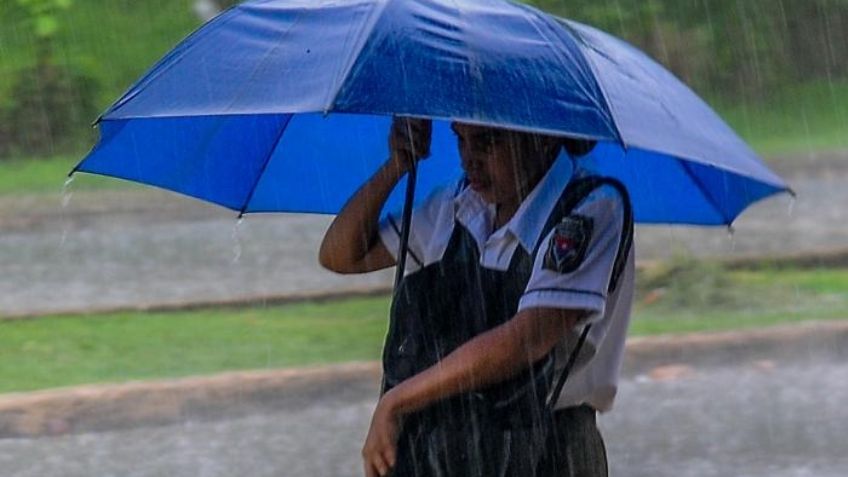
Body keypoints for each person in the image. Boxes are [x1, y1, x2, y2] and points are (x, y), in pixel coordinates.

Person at [319, 117, 634, 477]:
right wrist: (397, 165)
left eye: (488, 141)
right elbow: (343, 255)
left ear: (543, 136)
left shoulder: (592, 208)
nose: (470, 159)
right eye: (461, 140)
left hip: (543, 449)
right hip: (442, 449)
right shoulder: (455, 204)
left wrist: (397, 401)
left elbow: (526, 340)